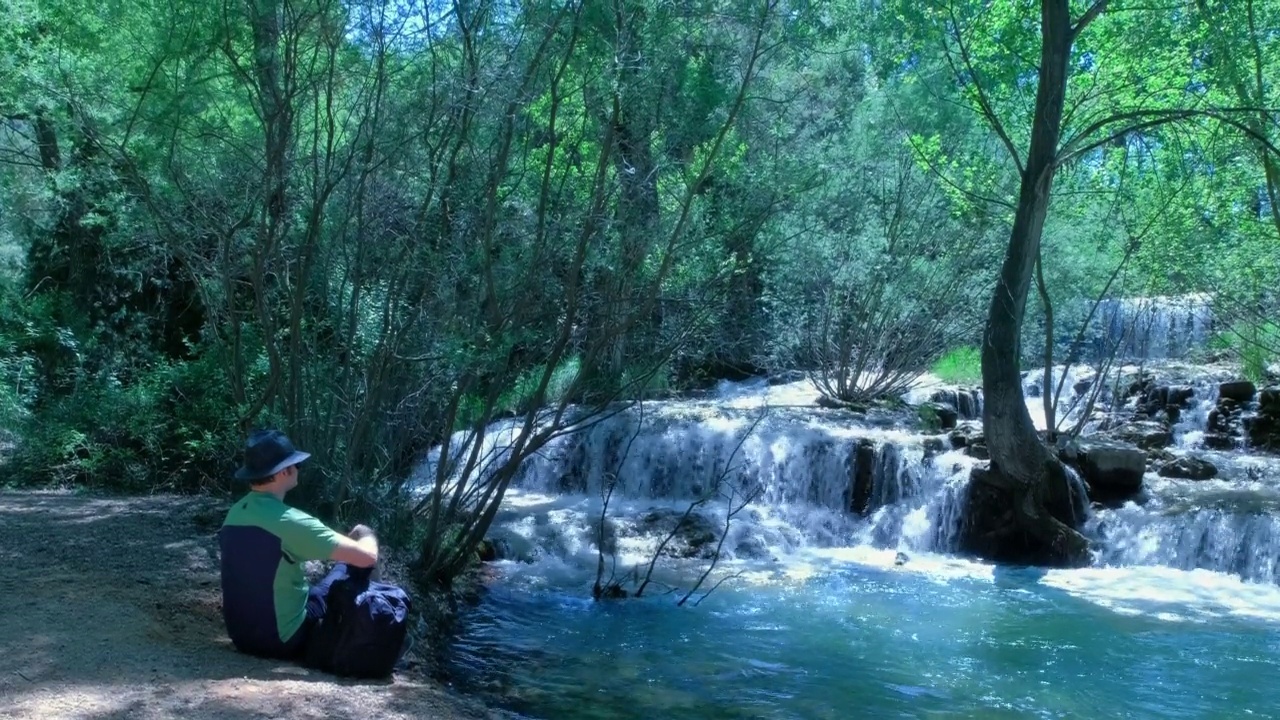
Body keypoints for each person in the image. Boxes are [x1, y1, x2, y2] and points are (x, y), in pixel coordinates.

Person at [217, 428, 381, 661]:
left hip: (242, 636)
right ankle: (373, 635)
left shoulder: (234, 514)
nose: (298, 470)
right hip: (281, 640)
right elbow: (368, 557)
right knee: (347, 567)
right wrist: (367, 534)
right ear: (286, 471)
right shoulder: (291, 521)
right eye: (297, 465)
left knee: (317, 584)